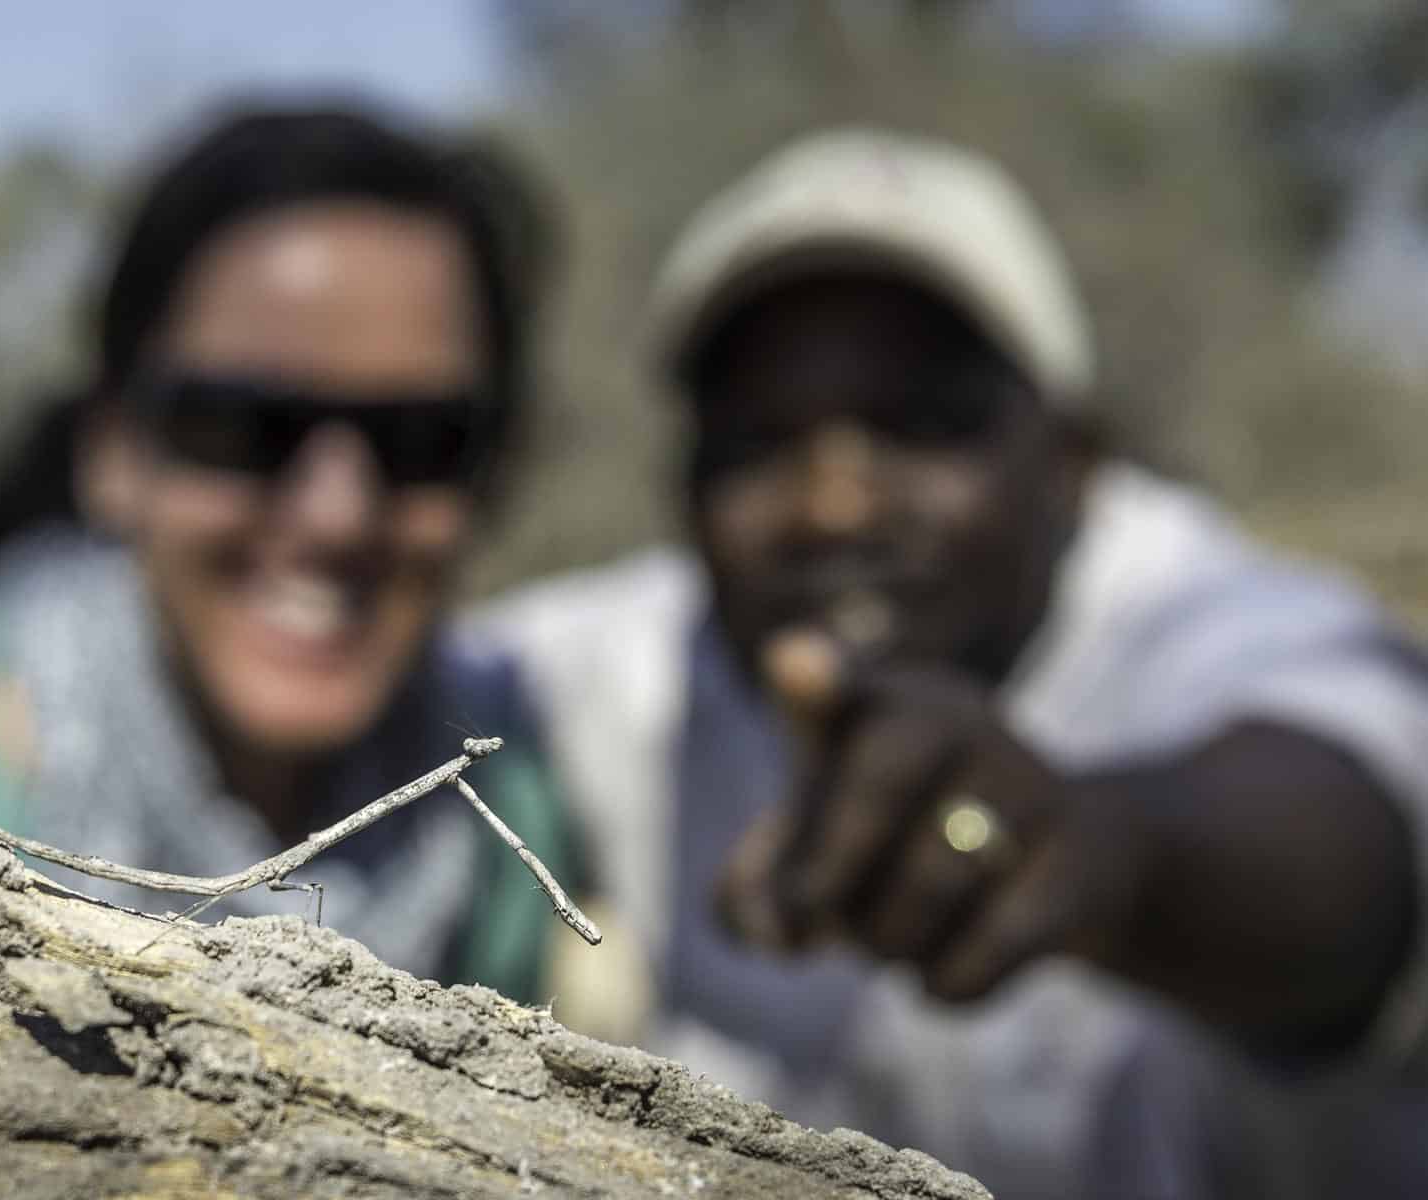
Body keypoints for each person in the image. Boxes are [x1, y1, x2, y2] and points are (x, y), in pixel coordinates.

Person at [467, 129, 1428, 1198]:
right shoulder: (624, 668)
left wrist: (1106, 848)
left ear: (1071, 462)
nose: (835, 504)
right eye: (756, 439)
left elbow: (1350, 818)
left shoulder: (1214, 620)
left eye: (922, 427)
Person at [0, 104, 578, 1003]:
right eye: (245, 427)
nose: (336, 515)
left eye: (424, 439)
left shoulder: (499, 820)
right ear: (112, 447)